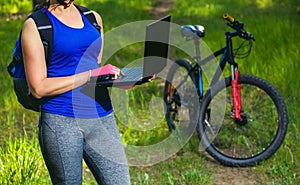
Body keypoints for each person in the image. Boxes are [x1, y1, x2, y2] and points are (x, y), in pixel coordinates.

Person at [21, 0, 131, 184]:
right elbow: (38, 88)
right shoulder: (36, 26)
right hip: (62, 122)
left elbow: (94, 66)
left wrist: (121, 79)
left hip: (102, 117)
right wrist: (90, 75)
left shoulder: (93, 18)